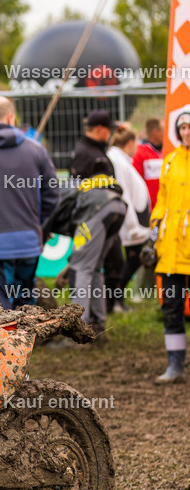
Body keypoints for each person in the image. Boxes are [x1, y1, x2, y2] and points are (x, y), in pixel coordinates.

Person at [0, 95, 59, 310]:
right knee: (25, 306)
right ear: (11, 118)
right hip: (28, 242)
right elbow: (53, 195)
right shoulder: (36, 149)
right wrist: (36, 222)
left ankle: (4, 344)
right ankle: (27, 343)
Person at [43, 175, 127, 339]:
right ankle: (97, 325)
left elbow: (41, 232)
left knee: (80, 269)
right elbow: (85, 252)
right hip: (117, 205)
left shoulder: (46, 205)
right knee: (94, 267)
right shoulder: (62, 195)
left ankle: (79, 330)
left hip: (96, 205)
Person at [145, 111, 190, 384]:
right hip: (170, 249)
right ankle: (175, 366)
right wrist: (153, 235)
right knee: (171, 309)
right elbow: (161, 202)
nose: (186, 132)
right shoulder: (170, 161)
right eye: (183, 127)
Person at [70, 108, 124, 313]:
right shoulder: (85, 153)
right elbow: (77, 190)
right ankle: (82, 323)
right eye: (109, 129)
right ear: (100, 129)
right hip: (93, 215)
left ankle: (92, 321)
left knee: (91, 266)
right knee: (85, 267)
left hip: (102, 215)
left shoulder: (96, 150)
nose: (110, 133)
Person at [107, 128, 150, 309]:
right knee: (131, 259)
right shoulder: (118, 161)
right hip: (128, 221)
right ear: (130, 143)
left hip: (131, 220)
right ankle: (115, 299)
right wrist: (132, 226)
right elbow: (123, 193)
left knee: (129, 260)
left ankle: (117, 299)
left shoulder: (121, 160)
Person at [133, 117, 164, 209]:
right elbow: (136, 182)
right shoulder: (139, 153)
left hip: (166, 208)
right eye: (163, 131)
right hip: (149, 209)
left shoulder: (167, 152)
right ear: (155, 132)